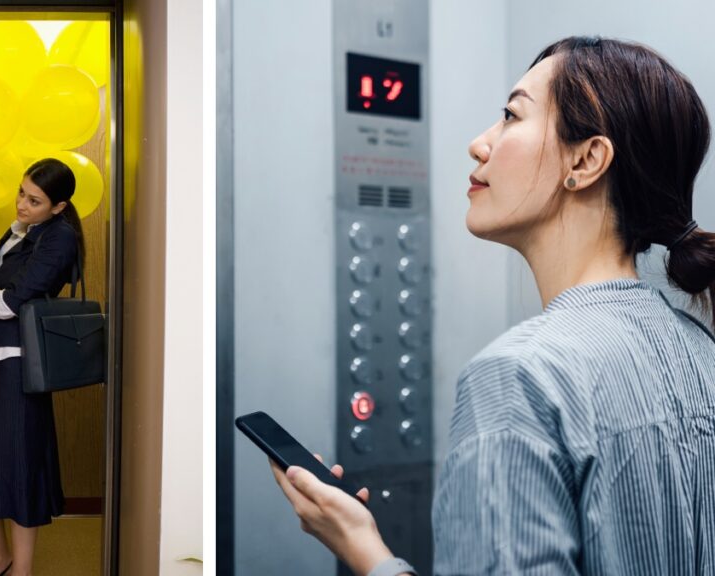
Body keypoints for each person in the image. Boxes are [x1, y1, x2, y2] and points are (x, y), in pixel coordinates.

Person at [272, 36, 715, 576]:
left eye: (511, 115)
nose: (479, 144)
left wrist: (364, 551)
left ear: (587, 159)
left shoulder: (516, 378)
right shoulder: (701, 348)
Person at [0, 158, 84, 576]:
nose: (22, 204)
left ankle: (19, 569)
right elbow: (2, 293)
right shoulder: (21, 230)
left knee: (18, 467)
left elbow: (13, 302)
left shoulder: (59, 238)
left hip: (21, 368)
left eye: (35, 200)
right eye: (22, 192)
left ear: (58, 207)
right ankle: (0, 559)